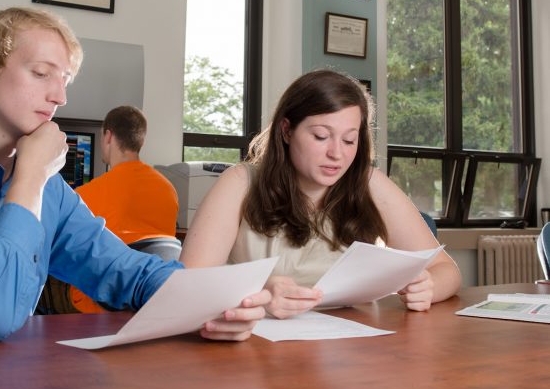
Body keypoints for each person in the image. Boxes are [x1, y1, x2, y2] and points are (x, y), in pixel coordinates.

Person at [0, 7, 268, 341]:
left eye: (65, 80)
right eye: (42, 73)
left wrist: (235, 298)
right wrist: (29, 179)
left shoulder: (50, 190)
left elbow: (124, 271)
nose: (60, 97)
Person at [181, 69, 461, 316]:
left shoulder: (369, 184)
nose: (336, 154)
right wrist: (258, 291)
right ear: (287, 131)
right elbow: (188, 283)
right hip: (252, 349)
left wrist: (428, 287)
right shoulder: (240, 182)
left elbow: (446, 270)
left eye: (349, 140)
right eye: (321, 136)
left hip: (346, 353)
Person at [70, 105, 179, 313]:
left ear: (108, 136)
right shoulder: (168, 189)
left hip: (97, 304)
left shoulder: (85, 194)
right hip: (149, 299)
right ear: (141, 140)